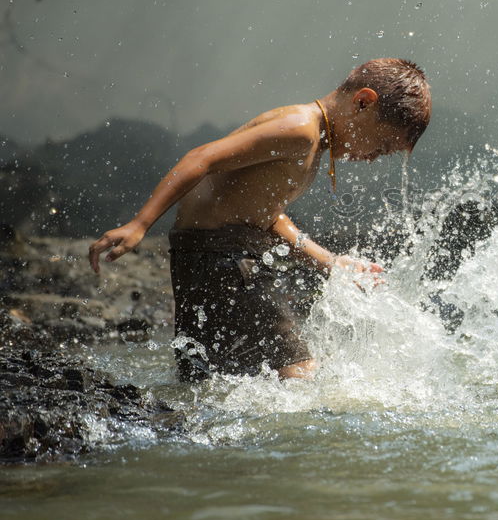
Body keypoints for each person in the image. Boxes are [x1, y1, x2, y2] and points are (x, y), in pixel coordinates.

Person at [89, 58, 431, 381]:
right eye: (382, 145)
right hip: (223, 258)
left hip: (207, 256)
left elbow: (265, 216)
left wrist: (330, 262)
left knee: (211, 375)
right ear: (363, 102)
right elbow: (201, 158)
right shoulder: (300, 130)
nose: (373, 158)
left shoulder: (311, 140)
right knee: (299, 370)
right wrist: (139, 224)